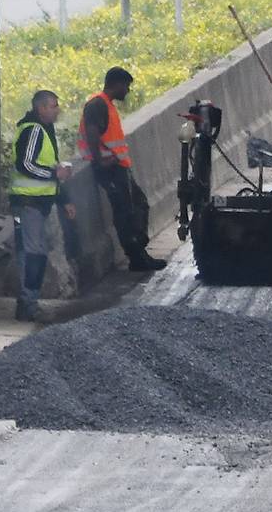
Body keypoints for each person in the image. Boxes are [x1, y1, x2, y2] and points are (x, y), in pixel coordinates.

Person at [79, 67, 164, 273]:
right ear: (115, 84)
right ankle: (136, 257)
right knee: (126, 212)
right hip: (110, 169)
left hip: (118, 167)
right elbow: (92, 133)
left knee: (137, 205)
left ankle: (139, 252)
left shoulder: (106, 105)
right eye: (126, 86)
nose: (127, 91)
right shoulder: (97, 104)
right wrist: (100, 161)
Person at [9, 90, 75, 322]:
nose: (57, 110)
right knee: (33, 254)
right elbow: (26, 164)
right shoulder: (34, 130)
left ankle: (29, 302)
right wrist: (53, 173)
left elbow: (48, 165)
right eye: (54, 106)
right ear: (41, 108)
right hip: (29, 203)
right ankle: (28, 304)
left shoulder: (43, 130)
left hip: (38, 202)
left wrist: (63, 198)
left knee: (33, 253)